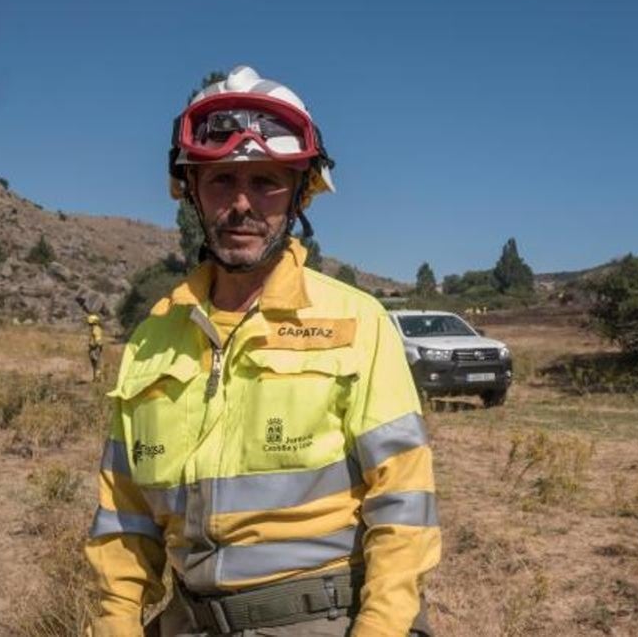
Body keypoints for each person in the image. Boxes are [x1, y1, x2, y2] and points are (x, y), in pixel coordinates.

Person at [85, 66, 439, 637]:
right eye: (221, 180)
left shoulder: (356, 322)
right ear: (191, 192)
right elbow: (125, 515)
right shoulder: (153, 338)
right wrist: (115, 623)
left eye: (266, 182)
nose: (242, 204)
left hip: (323, 619)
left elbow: (402, 502)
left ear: (300, 193)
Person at [87, 314, 104, 382]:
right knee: (94, 364)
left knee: (97, 363)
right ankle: (95, 378)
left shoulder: (96, 329)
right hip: (93, 348)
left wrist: (93, 346)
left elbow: (98, 340)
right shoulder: (94, 329)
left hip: (95, 348)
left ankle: (98, 378)